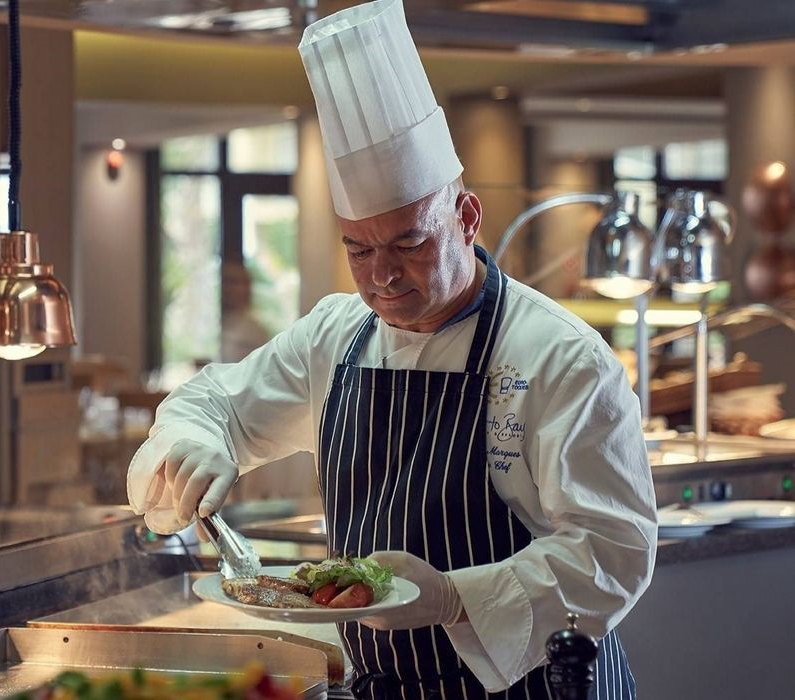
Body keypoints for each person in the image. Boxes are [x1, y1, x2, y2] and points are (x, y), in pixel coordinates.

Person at [128, 1, 658, 697]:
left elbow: (613, 551)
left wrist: (454, 598)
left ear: (466, 217)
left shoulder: (560, 357)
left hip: (537, 685)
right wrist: (196, 444)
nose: (382, 274)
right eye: (359, 249)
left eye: (409, 242)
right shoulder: (334, 334)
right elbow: (212, 405)